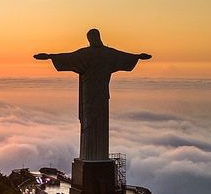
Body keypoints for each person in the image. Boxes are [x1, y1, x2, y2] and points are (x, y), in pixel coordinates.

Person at [34, 28, 151, 160]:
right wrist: (138, 57)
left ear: (89, 39)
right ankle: (96, 155)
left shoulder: (86, 54)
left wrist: (50, 56)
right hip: (101, 94)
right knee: (97, 121)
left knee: (90, 121)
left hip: (89, 94)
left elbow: (68, 57)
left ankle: (92, 156)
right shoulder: (108, 54)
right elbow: (124, 56)